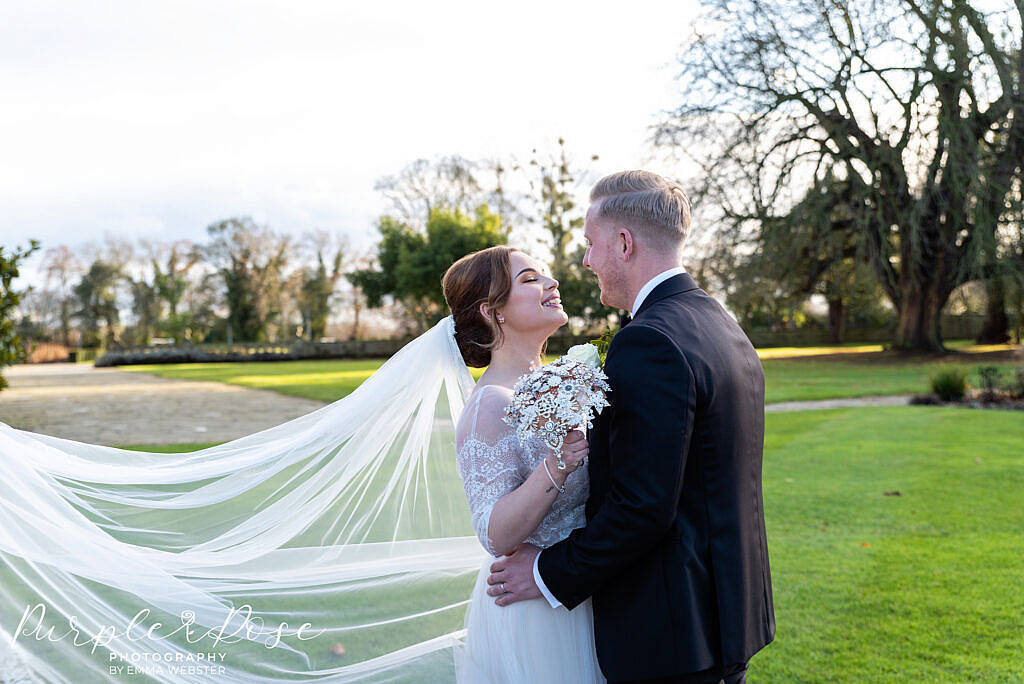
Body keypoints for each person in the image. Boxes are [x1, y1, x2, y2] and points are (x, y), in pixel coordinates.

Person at [485, 170, 775, 684]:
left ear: (623, 243)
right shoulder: (718, 321)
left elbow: (643, 505)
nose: (585, 261)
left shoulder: (649, 342)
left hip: (671, 634)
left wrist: (545, 572)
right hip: (725, 614)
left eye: (590, 245)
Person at [442, 245, 605, 683]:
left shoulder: (562, 381)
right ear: (493, 310)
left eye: (547, 276)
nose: (552, 284)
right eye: (532, 279)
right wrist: (557, 464)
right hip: (534, 611)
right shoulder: (491, 405)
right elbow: (495, 534)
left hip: (581, 587)